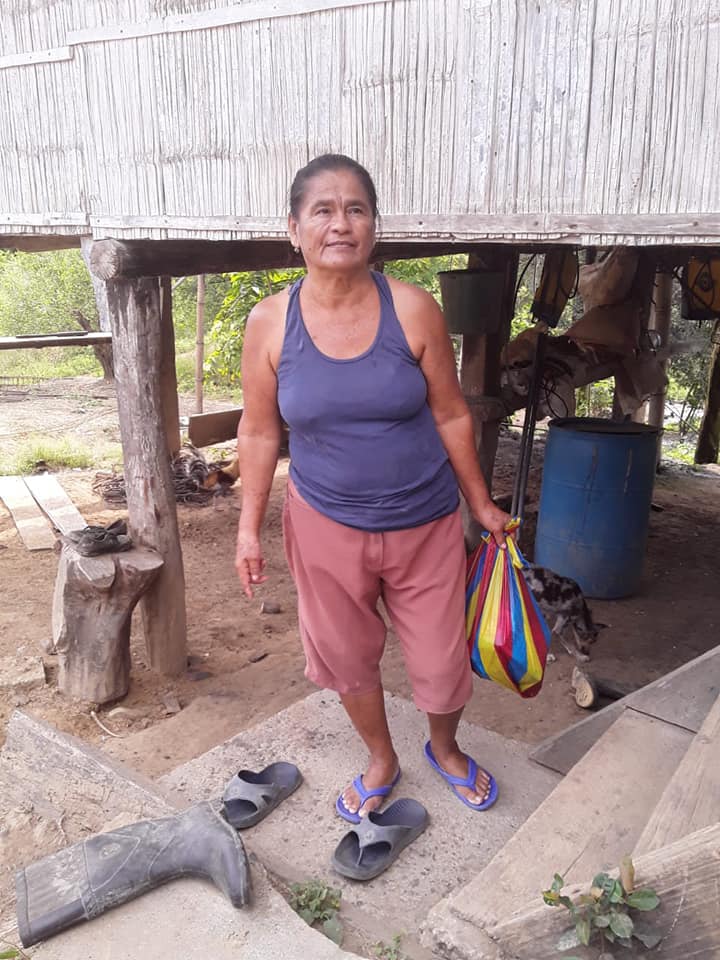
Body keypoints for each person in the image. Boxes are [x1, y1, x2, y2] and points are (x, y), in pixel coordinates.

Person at [235, 154, 510, 820]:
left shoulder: (413, 310)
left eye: (356, 209)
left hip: (426, 523)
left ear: (374, 226)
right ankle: (381, 758)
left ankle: (444, 748)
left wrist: (480, 504)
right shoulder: (270, 323)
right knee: (347, 656)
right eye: (323, 211)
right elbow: (259, 431)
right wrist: (247, 528)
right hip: (324, 525)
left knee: (441, 658)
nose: (341, 224)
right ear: (294, 228)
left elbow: (451, 414)